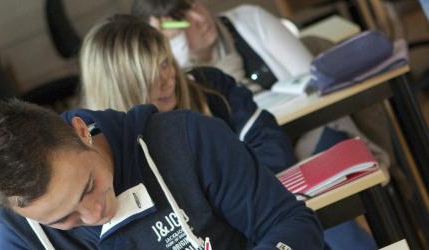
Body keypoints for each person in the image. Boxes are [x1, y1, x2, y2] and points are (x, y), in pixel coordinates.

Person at [0, 99, 324, 250]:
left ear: (81, 132)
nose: (95, 214)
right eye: (65, 219)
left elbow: (296, 225)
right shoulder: (21, 233)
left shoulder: (185, 139)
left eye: (89, 187)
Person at [132, 0, 383, 250]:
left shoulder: (249, 22)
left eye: (195, 4)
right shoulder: (178, 83)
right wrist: (177, 56)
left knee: (325, 224)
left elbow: (317, 82)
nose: (199, 18)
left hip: (310, 136)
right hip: (264, 166)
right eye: (181, 20)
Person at [80, 14, 294, 173]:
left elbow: (274, 149)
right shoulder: (106, 149)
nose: (167, 79)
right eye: (148, 77)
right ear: (117, 89)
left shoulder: (210, 86)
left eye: (165, 63)